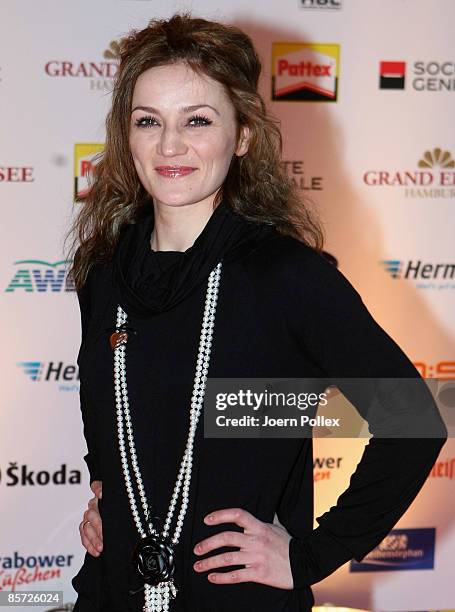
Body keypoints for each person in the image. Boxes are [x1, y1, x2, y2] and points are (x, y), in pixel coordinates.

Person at [66, 13, 447, 612]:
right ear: (126, 136)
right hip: (114, 590)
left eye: (198, 120)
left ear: (242, 135)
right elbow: (111, 422)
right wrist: (105, 498)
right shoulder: (105, 275)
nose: (170, 145)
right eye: (148, 122)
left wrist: (309, 557)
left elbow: (413, 421)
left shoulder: (286, 276)